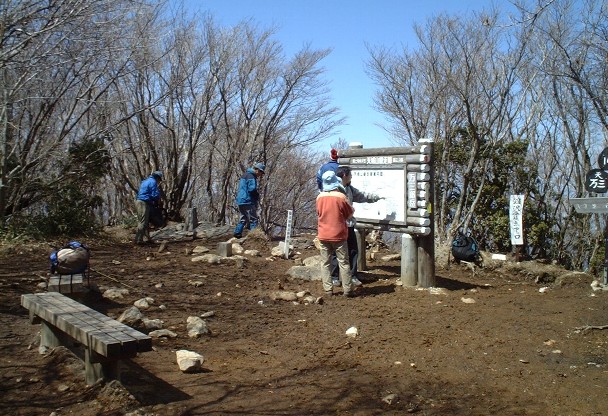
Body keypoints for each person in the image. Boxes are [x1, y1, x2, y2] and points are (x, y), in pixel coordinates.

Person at [333, 165, 382, 287]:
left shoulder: (349, 188)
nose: (351, 177)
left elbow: (361, 196)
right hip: (337, 226)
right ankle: (334, 277)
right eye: (350, 174)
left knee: (353, 250)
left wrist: (376, 197)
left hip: (348, 225)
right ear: (344, 175)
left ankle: (353, 275)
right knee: (335, 252)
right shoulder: (333, 189)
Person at [317, 170, 356, 297]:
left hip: (323, 234)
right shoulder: (341, 197)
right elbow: (349, 214)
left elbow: (319, 213)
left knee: (325, 263)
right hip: (339, 234)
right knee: (344, 262)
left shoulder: (319, 197)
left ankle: (328, 289)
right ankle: (347, 290)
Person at [233, 162, 266, 238]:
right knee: (253, 219)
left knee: (243, 217)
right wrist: (256, 195)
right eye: (261, 173)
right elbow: (252, 189)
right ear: (257, 170)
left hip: (241, 200)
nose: (260, 175)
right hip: (248, 200)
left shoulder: (244, 175)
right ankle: (253, 236)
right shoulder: (251, 176)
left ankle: (237, 233)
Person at [135, 171, 163, 245]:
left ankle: (146, 238)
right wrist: (158, 200)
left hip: (139, 201)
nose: (158, 182)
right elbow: (154, 194)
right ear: (157, 178)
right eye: (159, 180)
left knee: (144, 221)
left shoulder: (145, 181)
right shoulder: (153, 182)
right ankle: (138, 240)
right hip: (144, 202)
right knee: (143, 221)